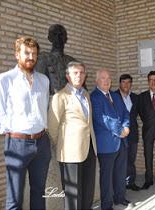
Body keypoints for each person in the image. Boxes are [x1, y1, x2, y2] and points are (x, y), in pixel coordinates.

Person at [0, 37, 51, 210]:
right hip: (17, 144)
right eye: (27, 53)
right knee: (15, 198)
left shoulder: (44, 80)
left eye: (34, 53)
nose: (31, 57)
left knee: (39, 191)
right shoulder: (4, 80)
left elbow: (45, 106)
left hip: (42, 143)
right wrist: (14, 131)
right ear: (17, 54)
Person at [48, 61, 97, 209]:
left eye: (82, 73)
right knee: (73, 193)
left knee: (88, 189)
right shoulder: (60, 96)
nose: (79, 76)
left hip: (89, 148)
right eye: (75, 73)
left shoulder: (86, 95)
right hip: (70, 152)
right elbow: (52, 126)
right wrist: (62, 144)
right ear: (68, 76)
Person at [91, 69, 131, 210]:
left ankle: (120, 197)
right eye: (103, 78)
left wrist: (126, 126)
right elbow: (102, 118)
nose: (107, 81)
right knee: (106, 177)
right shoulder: (94, 97)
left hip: (121, 142)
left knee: (121, 172)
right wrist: (120, 130)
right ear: (97, 80)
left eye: (108, 78)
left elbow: (125, 112)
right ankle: (106, 205)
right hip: (106, 145)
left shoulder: (115, 95)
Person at [115, 74, 141, 191]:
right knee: (120, 160)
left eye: (128, 82)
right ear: (120, 83)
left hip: (133, 133)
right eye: (124, 82)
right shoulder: (113, 96)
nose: (126, 85)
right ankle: (120, 184)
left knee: (131, 159)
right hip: (119, 134)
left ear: (131, 84)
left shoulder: (135, 97)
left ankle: (131, 182)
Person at [35, 24, 76, 95]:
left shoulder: (72, 62)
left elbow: (81, 88)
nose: (58, 38)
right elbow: (37, 86)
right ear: (49, 38)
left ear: (65, 39)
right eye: (55, 34)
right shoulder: (43, 59)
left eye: (61, 35)